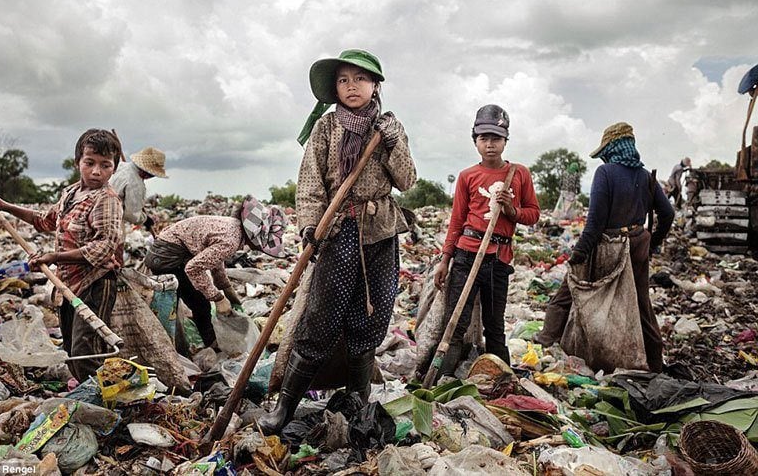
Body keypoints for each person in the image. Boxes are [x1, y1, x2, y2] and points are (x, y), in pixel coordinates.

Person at [258, 49, 416, 434]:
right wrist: (310, 227)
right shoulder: (326, 128)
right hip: (338, 230)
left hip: (379, 233)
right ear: (335, 88)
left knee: (371, 319)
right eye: (344, 80)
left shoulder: (389, 128)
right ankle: (284, 408)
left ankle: (357, 402)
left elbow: (407, 180)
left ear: (375, 85)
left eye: (360, 79)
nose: (352, 87)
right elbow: (311, 183)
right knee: (321, 320)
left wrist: (393, 144)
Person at [0, 129, 123, 381]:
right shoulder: (69, 194)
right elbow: (43, 221)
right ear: (78, 161)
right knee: (70, 351)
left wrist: (53, 258)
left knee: (85, 352)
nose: (96, 172)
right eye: (89, 163)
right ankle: (89, 398)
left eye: (105, 165)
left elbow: (104, 248)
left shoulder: (106, 200)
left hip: (95, 283)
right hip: (67, 284)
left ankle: (105, 405)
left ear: (114, 168)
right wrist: (4, 205)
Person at [534, 122, 674, 373]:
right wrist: (651, 244)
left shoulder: (606, 173)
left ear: (613, 149)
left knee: (567, 293)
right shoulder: (646, 177)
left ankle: (546, 341)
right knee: (642, 306)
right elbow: (668, 214)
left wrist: (579, 254)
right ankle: (655, 363)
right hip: (636, 245)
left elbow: (595, 222)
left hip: (607, 247)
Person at [428, 105, 540, 376]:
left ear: (505, 140)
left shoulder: (519, 174)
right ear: (475, 141)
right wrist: (445, 260)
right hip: (467, 254)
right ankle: (442, 379)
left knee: (495, 326)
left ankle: (502, 380)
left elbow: (533, 214)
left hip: (499, 258)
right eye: (484, 139)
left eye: (496, 138)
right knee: (456, 323)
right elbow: (456, 221)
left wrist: (512, 210)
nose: (490, 144)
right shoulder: (467, 176)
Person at [144, 196, 284, 349]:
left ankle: (180, 346)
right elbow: (193, 268)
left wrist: (225, 288)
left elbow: (215, 259)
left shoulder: (233, 228)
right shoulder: (231, 240)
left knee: (181, 305)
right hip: (167, 258)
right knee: (198, 304)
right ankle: (208, 347)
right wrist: (217, 298)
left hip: (167, 252)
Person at [109, 147, 168, 233]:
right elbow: (131, 215)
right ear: (148, 173)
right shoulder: (136, 184)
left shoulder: (120, 165)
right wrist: (145, 219)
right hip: (110, 219)